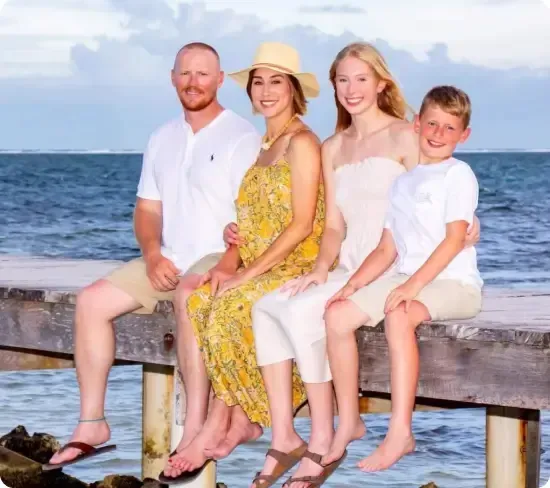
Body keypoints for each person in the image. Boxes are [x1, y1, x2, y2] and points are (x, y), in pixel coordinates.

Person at [226, 42, 481, 487]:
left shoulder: (408, 134)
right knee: (269, 306)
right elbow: (332, 228)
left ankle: (326, 432)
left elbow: (439, 191)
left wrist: (472, 221)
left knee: (304, 313)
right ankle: (286, 433)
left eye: (361, 78)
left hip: (394, 267)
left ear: (382, 83)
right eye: (342, 80)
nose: (351, 89)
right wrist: (321, 269)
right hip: (352, 266)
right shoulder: (332, 146)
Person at [45, 42, 262, 470]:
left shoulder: (242, 136)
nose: (193, 82)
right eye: (185, 73)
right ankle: (92, 424)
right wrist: (151, 254)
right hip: (169, 259)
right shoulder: (161, 137)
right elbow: (147, 209)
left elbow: (252, 219)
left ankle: (196, 429)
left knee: (187, 295)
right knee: (90, 302)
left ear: (220, 80)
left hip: (218, 257)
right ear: (172, 78)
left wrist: (229, 264)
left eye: (203, 74)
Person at [162, 41, 326, 484]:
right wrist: (235, 242)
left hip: (295, 265)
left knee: (231, 306)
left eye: (277, 82)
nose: (266, 91)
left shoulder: (302, 143)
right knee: (200, 300)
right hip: (260, 261)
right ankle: (229, 421)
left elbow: (301, 224)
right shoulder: (265, 145)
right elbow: (258, 217)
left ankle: (226, 424)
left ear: (293, 89)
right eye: (259, 83)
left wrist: (247, 274)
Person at [322, 85, 483, 473]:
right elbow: (386, 249)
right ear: (416, 124)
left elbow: (454, 240)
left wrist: (410, 287)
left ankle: (400, 433)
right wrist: (353, 285)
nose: (438, 134)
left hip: (455, 284)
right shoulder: (403, 183)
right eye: (432, 123)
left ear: (464, 135)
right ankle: (349, 421)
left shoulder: (458, 175)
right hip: (412, 277)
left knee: (399, 313)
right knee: (337, 315)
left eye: (449, 128)